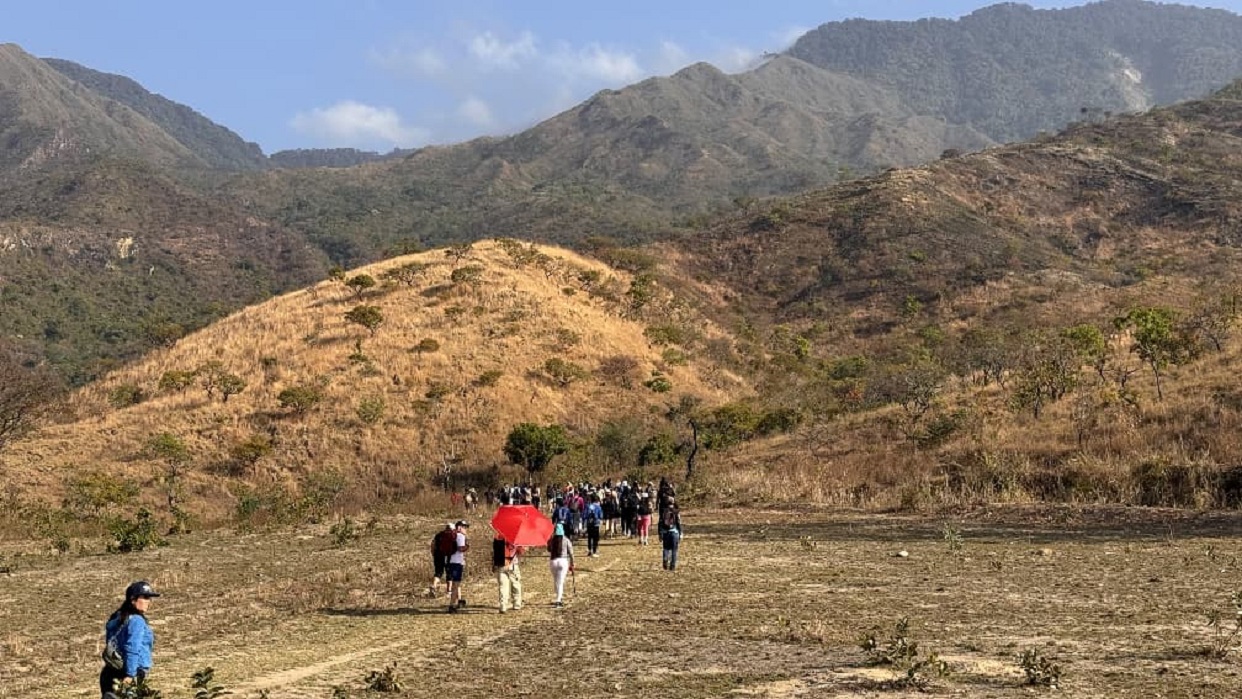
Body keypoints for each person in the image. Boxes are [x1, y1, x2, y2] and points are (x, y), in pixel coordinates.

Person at [100, 580, 160, 698]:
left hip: (109, 672)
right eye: (145, 597)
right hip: (129, 673)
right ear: (133, 600)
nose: (149, 601)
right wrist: (130, 675)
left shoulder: (117, 618)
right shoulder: (137, 621)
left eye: (149, 598)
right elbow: (132, 648)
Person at [492, 528, 525, 614]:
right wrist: (523, 547)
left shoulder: (499, 536)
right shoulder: (515, 538)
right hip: (512, 565)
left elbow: (495, 550)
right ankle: (517, 604)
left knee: (503, 586)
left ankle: (503, 606)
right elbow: (520, 551)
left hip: (501, 564)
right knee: (516, 584)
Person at [546, 522, 574, 608]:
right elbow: (571, 553)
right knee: (561, 582)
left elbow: (548, 549)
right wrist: (572, 563)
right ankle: (558, 600)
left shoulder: (552, 540)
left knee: (556, 581)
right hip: (563, 561)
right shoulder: (566, 540)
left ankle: (558, 596)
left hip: (553, 561)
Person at [447, 520, 470, 612]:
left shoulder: (454, 535)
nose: (466, 529)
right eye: (464, 527)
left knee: (456, 584)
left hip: (451, 562)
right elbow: (460, 549)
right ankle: (452, 605)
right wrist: (467, 546)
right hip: (457, 563)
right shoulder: (460, 536)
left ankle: (458, 601)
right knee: (456, 584)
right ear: (459, 527)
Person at [430, 522, 456, 597]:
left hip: (438, 555)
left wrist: (433, 554)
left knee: (438, 572)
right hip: (449, 556)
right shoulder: (454, 535)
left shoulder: (439, 535)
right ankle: (449, 592)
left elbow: (433, 545)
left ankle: (434, 585)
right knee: (449, 573)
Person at [658, 497, 683, 571]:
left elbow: (660, 524)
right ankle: (672, 566)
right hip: (674, 533)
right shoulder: (676, 511)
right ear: (673, 502)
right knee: (674, 550)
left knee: (666, 548)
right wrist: (681, 533)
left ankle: (665, 559)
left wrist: (660, 534)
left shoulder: (663, 511)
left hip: (666, 533)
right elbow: (678, 523)